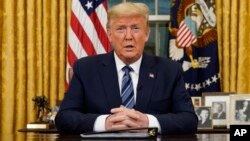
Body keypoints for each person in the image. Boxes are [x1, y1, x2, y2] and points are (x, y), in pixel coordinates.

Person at [55, 2, 198, 134]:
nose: (128, 36)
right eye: (121, 29)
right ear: (110, 35)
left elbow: (189, 120)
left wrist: (148, 122)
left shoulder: (170, 71)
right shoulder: (85, 69)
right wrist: (105, 123)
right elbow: (64, 118)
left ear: (147, 34)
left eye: (135, 28)